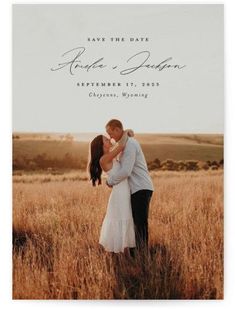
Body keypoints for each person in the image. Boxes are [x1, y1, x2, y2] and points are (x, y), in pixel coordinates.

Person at [105, 119, 154, 258]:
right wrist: (127, 132)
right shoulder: (124, 143)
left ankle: (142, 256)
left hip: (141, 187)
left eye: (111, 133)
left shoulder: (130, 144)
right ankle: (136, 255)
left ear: (117, 129)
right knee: (136, 222)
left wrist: (110, 181)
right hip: (136, 188)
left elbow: (126, 170)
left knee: (140, 223)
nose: (110, 137)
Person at [88, 129, 136, 253]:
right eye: (106, 139)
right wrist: (126, 132)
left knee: (126, 217)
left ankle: (126, 252)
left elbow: (120, 147)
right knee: (123, 217)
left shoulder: (110, 156)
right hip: (120, 193)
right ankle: (122, 253)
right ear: (101, 145)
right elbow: (120, 146)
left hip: (124, 190)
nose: (109, 139)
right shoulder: (104, 159)